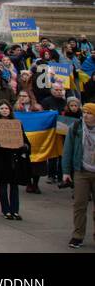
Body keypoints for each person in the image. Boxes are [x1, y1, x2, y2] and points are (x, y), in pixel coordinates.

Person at [0, 102, 30, 221]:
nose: (4, 110)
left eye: (6, 108)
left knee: (14, 185)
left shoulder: (17, 124)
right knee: (3, 184)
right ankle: (6, 210)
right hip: (1, 158)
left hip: (14, 158)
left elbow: (24, 139)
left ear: (10, 110)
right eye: (2, 108)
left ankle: (15, 210)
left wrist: (25, 146)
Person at [62, 102, 95, 248]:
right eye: (85, 112)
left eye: (90, 113)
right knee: (79, 205)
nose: (86, 115)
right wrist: (66, 172)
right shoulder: (75, 128)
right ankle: (77, 236)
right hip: (81, 170)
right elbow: (67, 150)